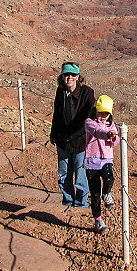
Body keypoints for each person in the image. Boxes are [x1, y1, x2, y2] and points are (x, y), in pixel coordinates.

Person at [49, 62, 94, 208]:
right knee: (64, 174)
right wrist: (53, 133)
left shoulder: (86, 93)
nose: (69, 77)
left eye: (73, 75)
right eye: (66, 74)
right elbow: (57, 114)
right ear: (62, 76)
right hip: (63, 139)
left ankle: (81, 204)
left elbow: (90, 111)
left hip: (79, 140)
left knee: (80, 175)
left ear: (78, 77)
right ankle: (68, 202)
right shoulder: (60, 92)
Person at [84, 94, 118, 233]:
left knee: (109, 178)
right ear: (95, 111)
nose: (103, 116)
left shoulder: (112, 125)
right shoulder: (89, 122)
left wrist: (113, 136)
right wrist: (108, 133)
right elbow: (97, 131)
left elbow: (115, 142)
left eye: (106, 113)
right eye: (101, 113)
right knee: (95, 193)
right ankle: (98, 220)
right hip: (91, 161)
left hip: (106, 159)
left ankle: (107, 193)